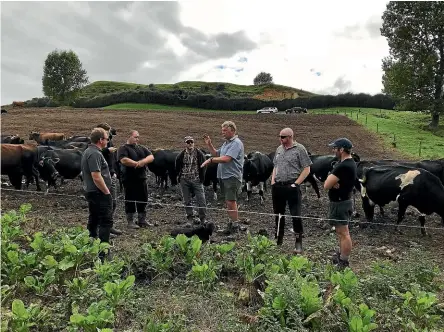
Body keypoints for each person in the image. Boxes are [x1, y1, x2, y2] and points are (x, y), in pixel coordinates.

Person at [271, 127, 312, 254]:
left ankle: (298, 242)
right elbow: (275, 166)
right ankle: (278, 239)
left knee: (296, 215)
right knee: (278, 214)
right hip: (278, 186)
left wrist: (296, 183)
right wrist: (273, 180)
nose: (280, 139)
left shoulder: (299, 149)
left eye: (283, 137)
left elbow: (307, 168)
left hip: (292, 186)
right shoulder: (278, 149)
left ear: (290, 137)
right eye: (279, 136)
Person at [201, 121, 245, 234]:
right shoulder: (226, 144)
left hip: (232, 176)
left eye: (225, 131)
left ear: (233, 130)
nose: (223, 133)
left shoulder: (236, 143)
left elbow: (226, 159)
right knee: (228, 201)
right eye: (222, 131)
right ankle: (231, 224)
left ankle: (235, 226)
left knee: (231, 201)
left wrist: (210, 160)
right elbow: (216, 154)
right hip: (223, 176)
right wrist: (209, 144)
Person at [324, 138, 357, 269]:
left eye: (335, 148)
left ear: (341, 149)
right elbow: (330, 182)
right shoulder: (350, 163)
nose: (333, 150)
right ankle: (342, 255)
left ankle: (344, 261)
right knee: (341, 232)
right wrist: (332, 182)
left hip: (340, 203)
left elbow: (326, 185)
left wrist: (331, 181)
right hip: (344, 201)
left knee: (344, 233)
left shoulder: (343, 166)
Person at [80, 127, 114, 260]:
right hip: (98, 193)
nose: (108, 141)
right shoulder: (95, 154)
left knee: (94, 218)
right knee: (106, 221)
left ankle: (91, 244)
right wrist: (106, 192)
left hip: (92, 191)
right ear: (100, 140)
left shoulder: (89, 151)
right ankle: (103, 252)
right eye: (107, 138)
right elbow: (96, 176)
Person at [117, 130, 154, 229]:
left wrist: (143, 161)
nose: (137, 139)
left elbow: (151, 156)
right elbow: (123, 160)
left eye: (138, 137)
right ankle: (130, 221)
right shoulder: (123, 148)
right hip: (129, 178)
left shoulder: (141, 148)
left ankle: (142, 220)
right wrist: (136, 164)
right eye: (135, 137)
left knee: (143, 198)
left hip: (141, 178)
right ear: (129, 137)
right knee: (130, 199)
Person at [96, 123, 122, 236]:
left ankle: (109, 226)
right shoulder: (95, 143)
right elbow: (95, 154)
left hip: (111, 175)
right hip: (102, 176)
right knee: (104, 203)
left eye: (109, 132)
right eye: (106, 132)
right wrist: (107, 151)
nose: (109, 134)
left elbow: (111, 159)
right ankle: (102, 228)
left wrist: (114, 172)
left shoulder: (108, 142)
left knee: (113, 202)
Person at [175, 136, 208, 224]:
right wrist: (180, 177)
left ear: (194, 143)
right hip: (184, 179)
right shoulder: (181, 155)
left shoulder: (200, 154)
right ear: (185, 143)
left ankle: (203, 218)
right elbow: (177, 166)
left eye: (191, 142)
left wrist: (202, 178)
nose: (190, 144)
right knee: (187, 200)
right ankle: (190, 218)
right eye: (188, 142)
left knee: (201, 200)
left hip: (196, 179)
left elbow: (204, 166)